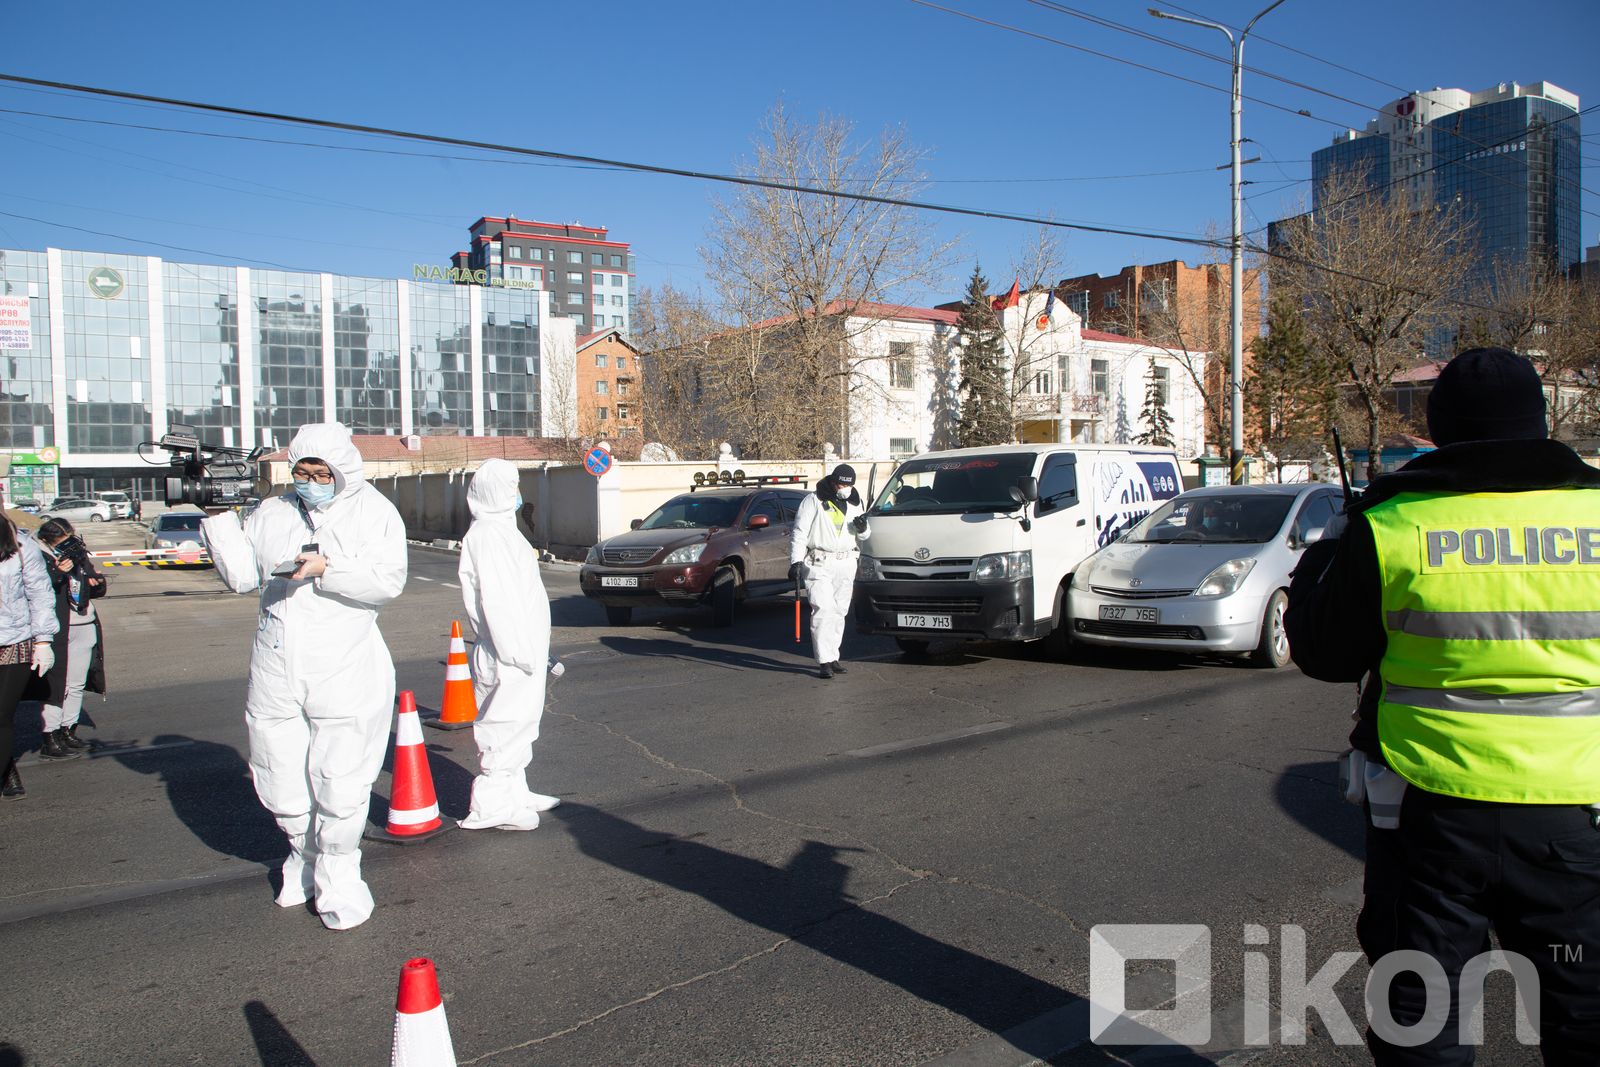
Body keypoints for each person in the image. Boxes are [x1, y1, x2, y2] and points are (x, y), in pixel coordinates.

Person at [1285, 347, 1600, 1064]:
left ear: (1439, 427)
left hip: (1431, 818)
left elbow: (1323, 652)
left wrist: (1331, 545)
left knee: (1421, 1022)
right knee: (1584, 1015)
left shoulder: (1396, 524)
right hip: (1577, 825)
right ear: (1541, 421)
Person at [201, 423, 407, 931]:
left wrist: (326, 569)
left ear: (343, 471)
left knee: (339, 776)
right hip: (275, 661)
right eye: (302, 471)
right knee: (277, 768)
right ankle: (303, 855)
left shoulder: (373, 512)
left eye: (322, 472)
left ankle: (338, 871)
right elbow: (242, 577)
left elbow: (388, 581)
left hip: (343, 661)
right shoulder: (272, 512)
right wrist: (218, 519)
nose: (312, 480)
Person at [457, 458, 558, 831]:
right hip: (509, 651)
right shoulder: (488, 535)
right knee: (504, 723)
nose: (518, 494)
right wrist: (518, 650)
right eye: (513, 486)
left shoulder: (501, 530)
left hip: (519, 647)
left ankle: (516, 789)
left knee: (522, 722)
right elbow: (497, 600)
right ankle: (492, 804)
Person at [32, 518, 108, 759]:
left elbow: (96, 585)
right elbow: (38, 590)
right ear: (48, 541)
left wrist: (96, 582)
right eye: (64, 542)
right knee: (55, 686)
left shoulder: (77, 555)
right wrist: (57, 571)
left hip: (84, 623)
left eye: (71, 539)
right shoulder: (39, 557)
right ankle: (50, 736)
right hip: (58, 629)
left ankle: (68, 730)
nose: (70, 546)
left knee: (75, 684)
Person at [789, 464, 871, 679]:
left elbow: (863, 535)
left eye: (849, 484)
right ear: (834, 482)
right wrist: (796, 561)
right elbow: (800, 532)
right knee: (823, 610)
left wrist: (863, 528)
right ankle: (824, 660)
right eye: (842, 483)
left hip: (846, 562)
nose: (845, 488)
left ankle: (833, 656)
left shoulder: (855, 501)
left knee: (839, 611)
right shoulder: (813, 500)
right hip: (820, 562)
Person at [0, 517, 60, 801]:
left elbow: (40, 594)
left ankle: (4, 770)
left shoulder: (21, 545)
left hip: (13, 640)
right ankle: (7, 764)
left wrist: (44, 641)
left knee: (1, 715)